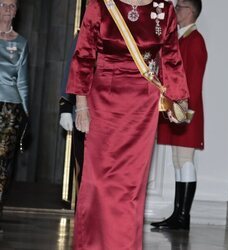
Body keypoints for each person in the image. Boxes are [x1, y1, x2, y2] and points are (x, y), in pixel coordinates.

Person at [66, 0, 189, 249]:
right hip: (102, 102)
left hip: (141, 108)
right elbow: (84, 55)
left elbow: (171, 58)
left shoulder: (164, 10)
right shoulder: (100, 5)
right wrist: (81, 105)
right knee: (98, 182)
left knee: (129, 187)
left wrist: (180, 101)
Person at [151, 0, 207, 230]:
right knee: (177, 161)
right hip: (178, 109)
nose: (174, 10)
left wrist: (182, 111)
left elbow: (192, 81)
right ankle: (178, 215)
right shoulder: (181, 39)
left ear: (190, 12)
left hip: (185, 111)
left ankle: (183, 216)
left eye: (179, 6)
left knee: (184, 160)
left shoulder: (195, 41)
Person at [0, 0, 29, 232]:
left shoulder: (21, 43)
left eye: (12, 5)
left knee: (2, 164)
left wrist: (26, 117)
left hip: (10, 110)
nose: (8, 9)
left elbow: (23, 82)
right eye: (2, 4)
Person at [59, 32, 85, 196]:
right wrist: (66, 107)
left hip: (116, 114)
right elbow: (72, 69)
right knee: (84, 168)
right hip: (85, 113)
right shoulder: (85, 34)